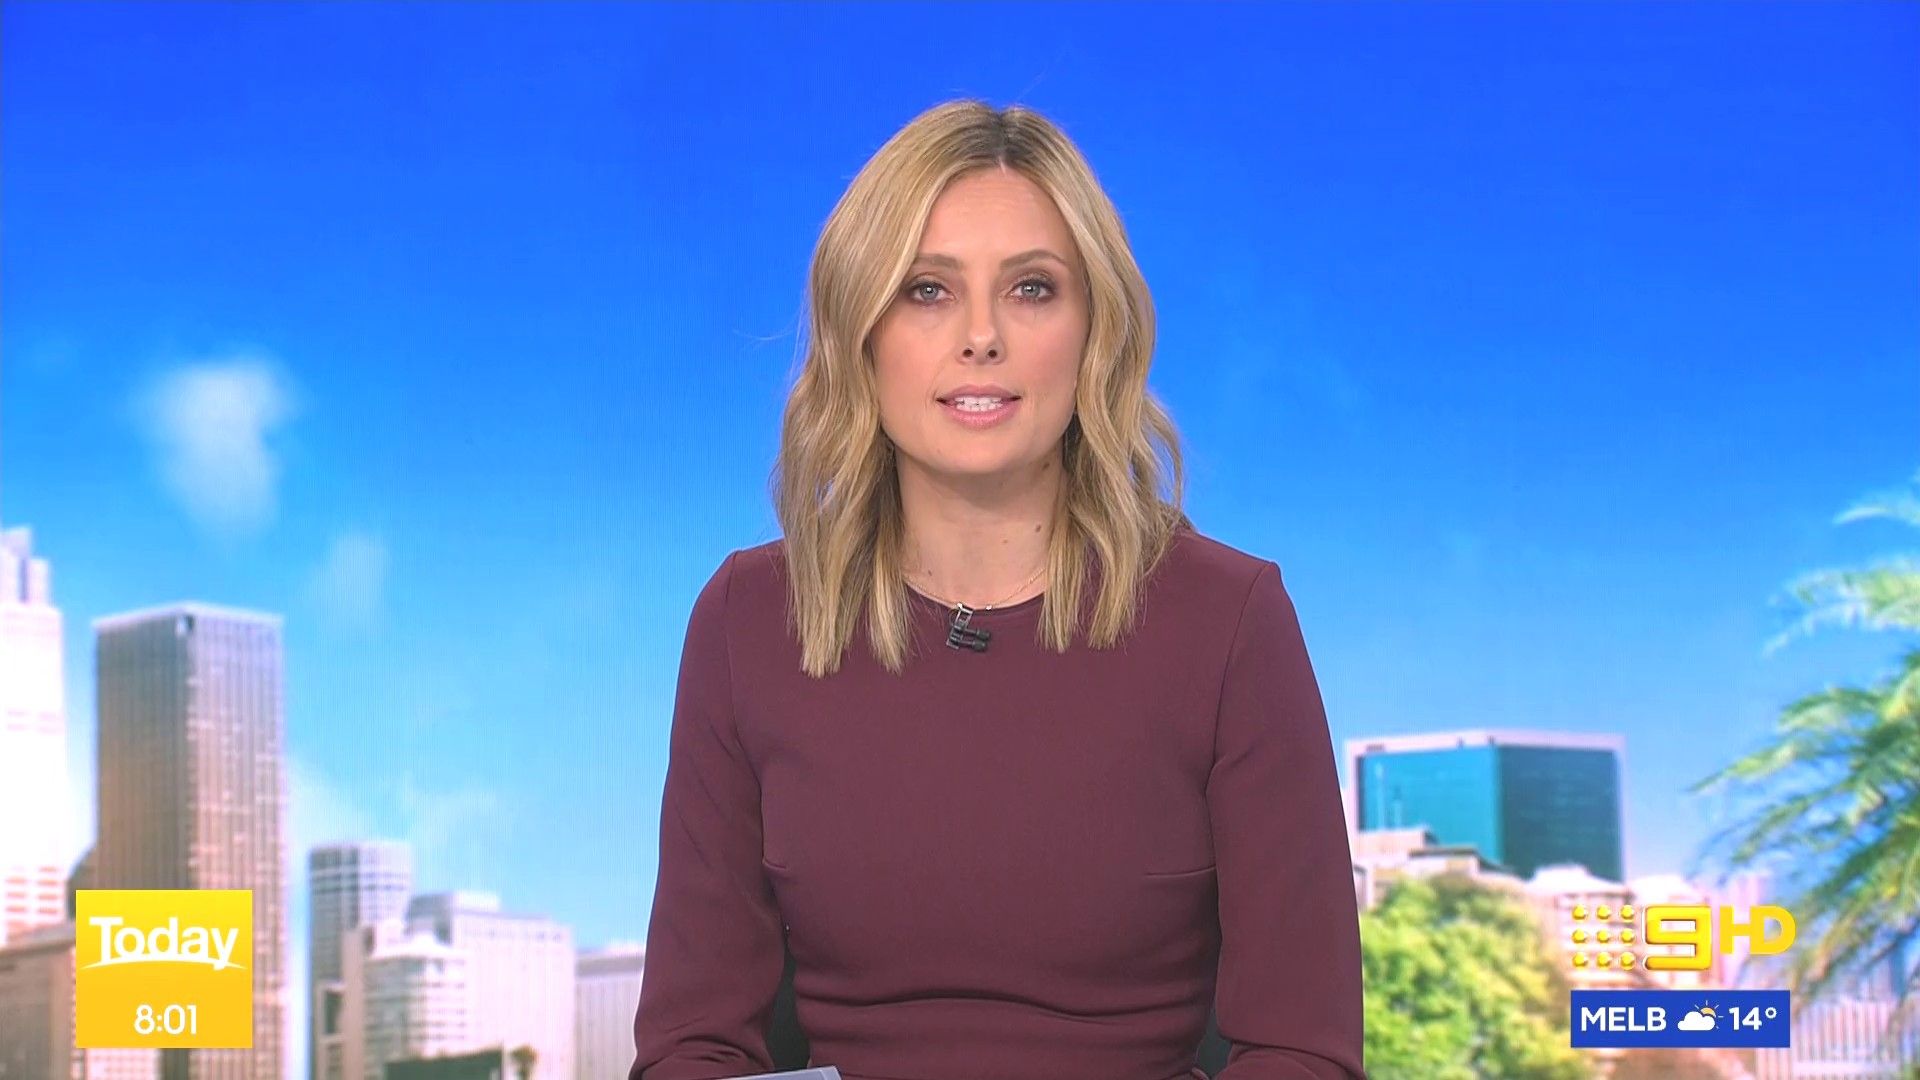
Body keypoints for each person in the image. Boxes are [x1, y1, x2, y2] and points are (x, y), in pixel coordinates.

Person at [630, 99, 1365, 1080]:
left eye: (1031, 289)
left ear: (1095, 330)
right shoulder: (749, 621)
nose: (981, 337)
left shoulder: (1229, 622)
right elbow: (692, 1048)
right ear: (861, 331)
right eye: (927, 290)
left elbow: (1303, 1051)